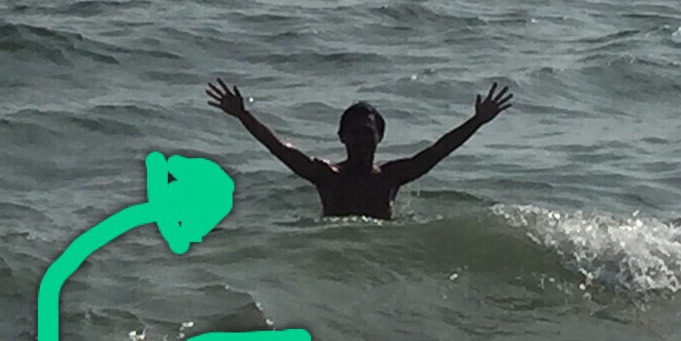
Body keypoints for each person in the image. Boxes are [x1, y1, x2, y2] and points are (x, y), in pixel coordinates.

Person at [205, 79, 513, 219]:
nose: (361, 140)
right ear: (341, 137)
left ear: (380, 137)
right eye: (353, 133)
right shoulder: (326, 175)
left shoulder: (390, 177)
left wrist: (477, 121)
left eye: (367, 133)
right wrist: (243, 115)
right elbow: (277, 147)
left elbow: (438, 151)